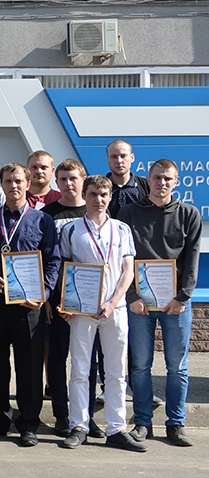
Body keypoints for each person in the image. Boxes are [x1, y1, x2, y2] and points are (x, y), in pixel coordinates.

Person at [0, 163, 61, 447]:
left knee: (29, 365)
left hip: (28, 304)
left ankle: (28, 423)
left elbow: (52, 260)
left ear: (27, 183)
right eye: (8, 181)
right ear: (1, 184)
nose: (14, 186)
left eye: (18, 181)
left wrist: (44, 293)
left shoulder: (42, 220)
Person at [57, 176, 144, 451]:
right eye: (93, 194)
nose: (99, 199)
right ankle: (79, 426)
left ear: (110, 197)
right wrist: (67, 303)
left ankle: (116, 427)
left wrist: (113, 301)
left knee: (116, 370)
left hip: (115, 309)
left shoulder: (122, 229)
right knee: (80, 368)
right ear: (84, 195)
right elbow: (64, 268)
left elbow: (128, 271)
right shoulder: (71, 229)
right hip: (82, 311)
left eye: (104, 194)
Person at [119, 159, 201, 447]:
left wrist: (183, 296)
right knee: (140, 366)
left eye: (167, 178)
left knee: (177, 367)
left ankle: (176, 424)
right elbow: (123, 257)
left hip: (175, 304)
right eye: (157, 177)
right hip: (140, 304)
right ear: (148, 180)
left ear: (176, 182)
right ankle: (142, 423)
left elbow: (192, 258)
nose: (161, 183)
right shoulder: (129, 213)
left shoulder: (188, 214)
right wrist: (131, 296)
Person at [41, 159, 104, 438]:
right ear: (56, 182)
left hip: (88, 301)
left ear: (83, 180)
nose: (68, 184)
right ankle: (61, 416)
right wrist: (46, 298)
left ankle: (87, 416)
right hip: (57, 301)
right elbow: (42, 259)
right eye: (63, 179)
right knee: (57, 358)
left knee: (87, 361)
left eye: (73, 178)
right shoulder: (46, 215)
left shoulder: (95, 211)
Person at [105, 139, 149, 218]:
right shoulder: (99, 187)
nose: (119, 161)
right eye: (114, 157)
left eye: (123, 156)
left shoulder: (147, 186)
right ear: (108, 159)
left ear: (132, 157)